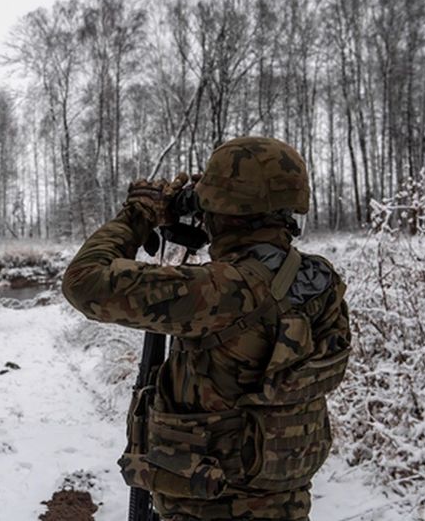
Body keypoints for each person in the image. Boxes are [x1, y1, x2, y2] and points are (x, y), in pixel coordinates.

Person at [62, 137, 351, 521]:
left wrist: (137, 215)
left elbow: (84, 282)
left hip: (209, 508)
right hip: (286, 506)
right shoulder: (320, 281)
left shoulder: (221, 292)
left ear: (225, 208)